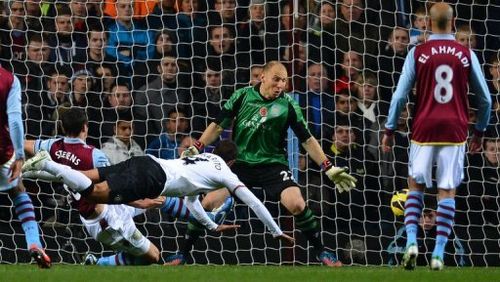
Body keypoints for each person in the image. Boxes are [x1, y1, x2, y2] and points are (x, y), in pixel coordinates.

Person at [181, 61, 357, 267]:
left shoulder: (288, 104)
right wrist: (198, 145)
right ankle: (182, 254)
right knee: (208, 203)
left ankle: (322, 252)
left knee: (297, 204)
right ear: (262, 77)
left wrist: (328, 166)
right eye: (276, 79)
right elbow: (218, 125)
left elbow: (307, 139)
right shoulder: (242, 95)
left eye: (284, 81)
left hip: (273, 164)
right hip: (240, 164)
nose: (280, 85)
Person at [23, 108, 232, 266]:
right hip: (106, 219)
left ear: (62, 128)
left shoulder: (52, 146)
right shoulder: (95, 155)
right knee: (153, 256)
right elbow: (112, 190)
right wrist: (141, 203)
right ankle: (98, 263)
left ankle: (205, 217)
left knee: (159, 199)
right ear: (85, 127)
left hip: (96, 210)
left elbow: (27, 144)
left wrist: (14, 153)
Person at [381, 2, 492, 271]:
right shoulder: (466, 53)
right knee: (447, 190)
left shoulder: (417, 53)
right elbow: (485, 100)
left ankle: (410, 240)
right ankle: (440, 252)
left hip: (423, 127)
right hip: (455, 129)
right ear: (453, 25)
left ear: (428, 25)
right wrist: (479, 132)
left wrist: (390, 129)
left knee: (415, 185)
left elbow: (398, 96)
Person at [22, 141, 295, 245]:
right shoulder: (225, 173)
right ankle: (46, 162)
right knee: (93, 194)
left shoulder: (202, 160)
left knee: (86, 177)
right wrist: (275, 230)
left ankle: (24, 170)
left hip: (146, 162)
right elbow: (254, 200)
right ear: (233, 162)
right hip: (152, 178)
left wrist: (211, 227)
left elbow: (192, 204)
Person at [0, 66, 51, 268]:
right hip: (2, 150)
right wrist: (20, 154)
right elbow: (15, 121)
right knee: (17, 188)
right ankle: (34, 243)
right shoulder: (9, 79)